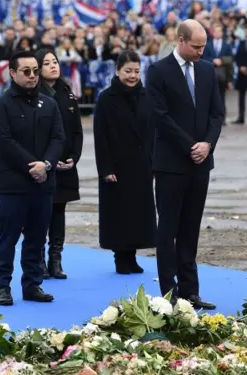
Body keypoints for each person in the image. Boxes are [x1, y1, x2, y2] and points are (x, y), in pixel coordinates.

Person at [146, 19, 225, 309]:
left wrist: (207, 144)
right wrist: (188, 145)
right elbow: (158, 115)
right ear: (180, 41)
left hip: (200, 163)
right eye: (196, 46)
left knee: (191, 228)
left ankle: (190, 291)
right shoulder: (158, 71)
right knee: (168, 229)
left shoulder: (206, 70)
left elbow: (217, 113)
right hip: (170, 163)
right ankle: (170, 292)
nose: (201, 51)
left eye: (204, 45)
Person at [0, 50, 65, 306]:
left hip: (43, 183)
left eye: (35, 71)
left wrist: (46, 165)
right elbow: (4, 141)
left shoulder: (49, 104)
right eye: (26, 72)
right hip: (13, 184)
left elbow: (58, 138)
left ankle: (32, 284)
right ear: (13, 73)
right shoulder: (1, 105)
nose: (33, 76)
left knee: (36, 237)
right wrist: (31, 166)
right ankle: (2, 286)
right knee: (8, 236)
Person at [94, 50, 156, 274]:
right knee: (119, 213)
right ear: (117, 70)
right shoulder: (106, 98)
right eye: (128, 71)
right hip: (117, 165)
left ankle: (132, 256)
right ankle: (120, 257)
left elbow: (153, 130)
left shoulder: (147, 96)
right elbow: (100, 136)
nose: (132, 76)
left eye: (137, 71)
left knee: (138, 212)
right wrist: (106, 168)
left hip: (141, 164)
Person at [36, 48, 84, 280]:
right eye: (47, 63)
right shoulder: (35, 94)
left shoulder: (67, 92)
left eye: (55, 62)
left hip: (65, 166)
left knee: (59, 213)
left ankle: (55, 260)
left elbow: (77, 131)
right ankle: (39, 261)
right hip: (43, 167)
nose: (53, 66)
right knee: (40, 214)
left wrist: (73, 157)